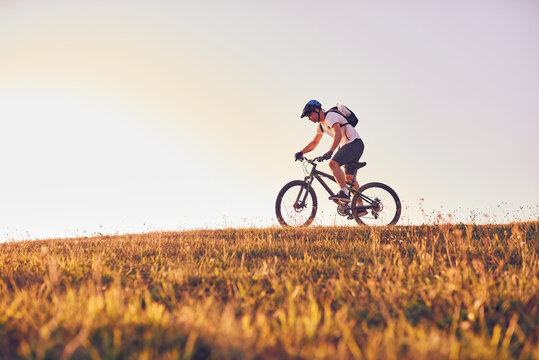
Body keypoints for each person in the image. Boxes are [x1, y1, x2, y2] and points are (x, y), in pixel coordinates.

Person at [295, 99, 365, 202]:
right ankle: (360, 207)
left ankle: (344, 193)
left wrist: (330, 151)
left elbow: (338, 134)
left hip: (354, 143)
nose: (309, 119)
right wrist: (301, 152)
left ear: (316, 110)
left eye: (309, 115)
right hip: (349, 145)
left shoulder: (330, 116)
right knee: (349, 179)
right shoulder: (321, 126)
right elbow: (314, 143)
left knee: (333, 164)